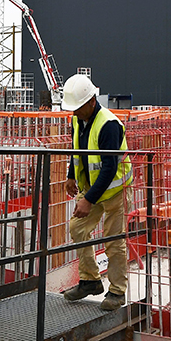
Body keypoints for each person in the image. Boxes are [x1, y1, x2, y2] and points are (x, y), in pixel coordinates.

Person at [60, 73, 132, 312]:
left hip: (114, 192)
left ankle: (117, 292)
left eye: (77, 108)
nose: (74, 113)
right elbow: (78, 149)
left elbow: (110, 168)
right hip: (94, 188)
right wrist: (72, 174)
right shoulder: (78, 119)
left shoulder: (108, 125)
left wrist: (88, 200)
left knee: (114, 242)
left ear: (91, 101)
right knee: (77, 228)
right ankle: (90, 280)